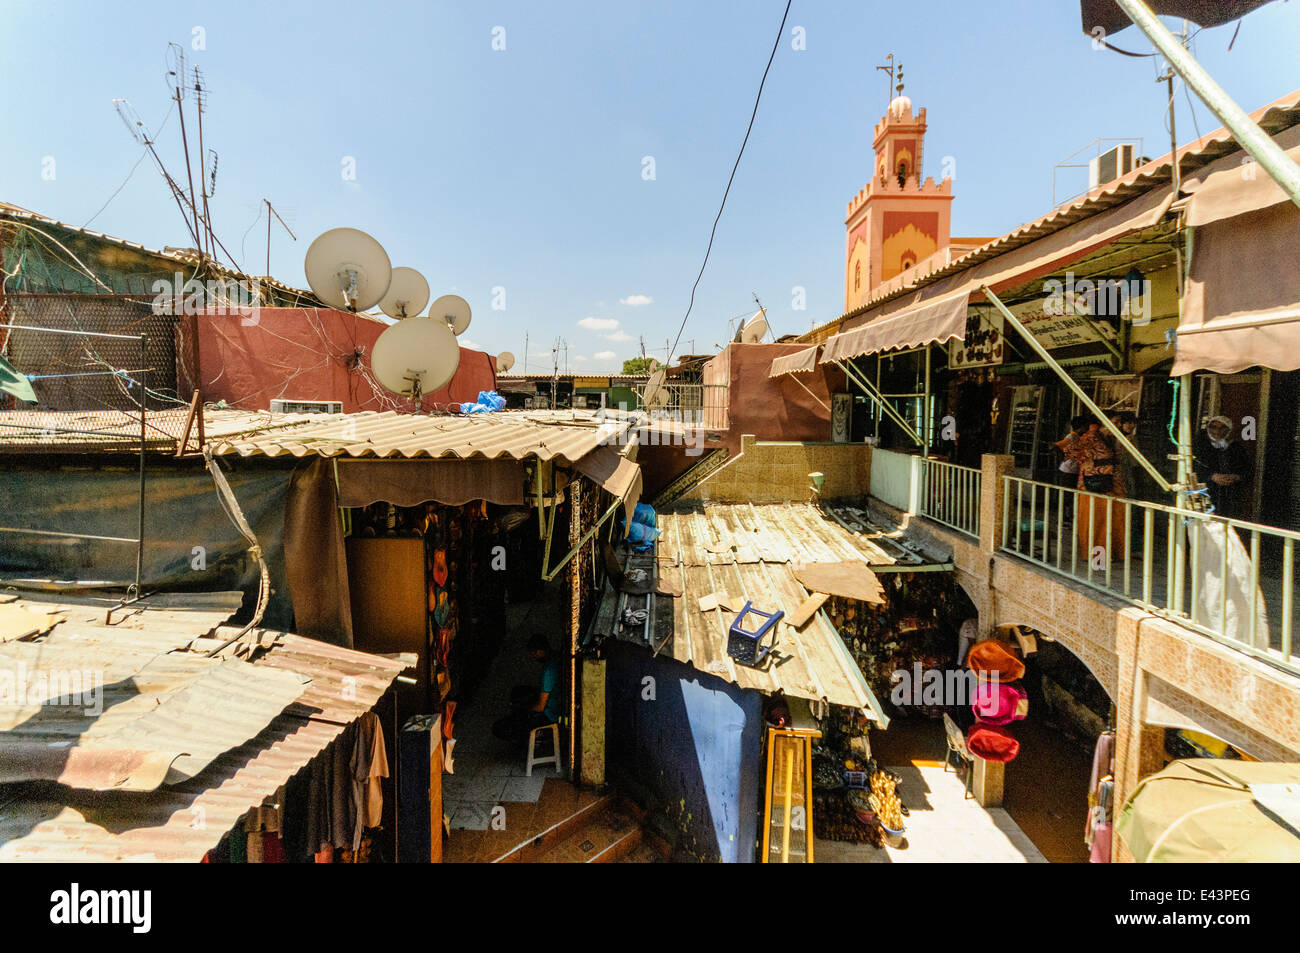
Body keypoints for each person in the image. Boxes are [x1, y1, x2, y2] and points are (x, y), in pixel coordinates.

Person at [492, 634, 562, 746]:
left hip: (550, 716)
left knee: (501, 727)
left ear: (540, 651)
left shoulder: (549, 672)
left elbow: (540, 707)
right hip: (555, 704)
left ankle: (524, 741)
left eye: (534, 653)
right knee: (519, 692)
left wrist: (524, 708)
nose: (533, 657)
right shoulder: (555, 660)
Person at [1074, 419, 1126, 563]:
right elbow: (1082, 458)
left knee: (1113, 519)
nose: (1118, 425)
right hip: (1096, 484)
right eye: (1115, 422)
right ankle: (1098, 555)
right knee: (1098, 520)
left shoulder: (1112, 438)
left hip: (1113, 484)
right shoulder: (1090, 438)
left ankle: (1113, 552)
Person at [1193, 416, 1251, 519]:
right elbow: (1193, 467)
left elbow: (1247, 470)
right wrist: (1212, 476)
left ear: (1229, 430)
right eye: (1213, 427)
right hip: (1206, 492)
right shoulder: (1199, 446)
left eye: (1222, 428)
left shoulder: (1236, 448)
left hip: (1229, 496)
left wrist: (1236, 477)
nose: (1217, 431)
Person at [1054, 415, 1090, 491]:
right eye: (1086, 426)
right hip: (1068, 471)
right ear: (1081, 427)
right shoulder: (1071, 436)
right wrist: (1064, 457)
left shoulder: (1079, 437)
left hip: (1072, 470)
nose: (1087, 429)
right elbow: (1055, 446)